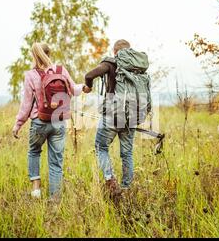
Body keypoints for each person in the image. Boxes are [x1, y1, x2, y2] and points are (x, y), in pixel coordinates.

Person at [13, 42, 84, 199]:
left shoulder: (31, 75)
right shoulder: (60, 70)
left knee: (34, 152)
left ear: (34, 56)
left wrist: (18, 124)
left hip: (39, 121)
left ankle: (36, 190)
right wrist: (86, 86)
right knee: (56, 161)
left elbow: (26, 105)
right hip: (58, 121)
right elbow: (75, 90)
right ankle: (55, 199)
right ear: (49, 54)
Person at [83, 39, 137, 196]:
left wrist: (89, 86)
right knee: (127, 153)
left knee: (101, 147)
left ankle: (110, 180)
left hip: (112, 115)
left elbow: (89, 75)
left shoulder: (110, 64)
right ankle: (127, 189)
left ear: (115, 52)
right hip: (131, 115)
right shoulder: (137, 67)